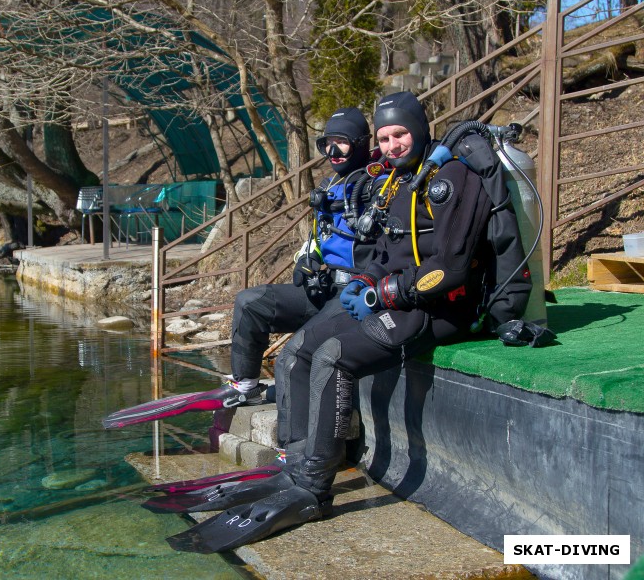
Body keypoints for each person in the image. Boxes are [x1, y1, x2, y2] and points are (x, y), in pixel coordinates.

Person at [166, 91, 498, 554]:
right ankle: (296, 463)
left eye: (400, 134)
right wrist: (361, 280)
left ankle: (314, 488)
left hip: (434, 307)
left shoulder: (453, 178)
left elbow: (454, 267)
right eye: (384, 137)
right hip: (389, 294)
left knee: (332, 358)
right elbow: (381, 251)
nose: (392, 144)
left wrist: (385, 292)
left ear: (421, 130)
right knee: (295, 352)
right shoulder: (398, 181)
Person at [103, 107, 386, 430]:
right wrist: (305, 260)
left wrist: (363, 280)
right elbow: (316, 235)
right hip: (322, 288)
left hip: (354, 296)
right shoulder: (330, 184)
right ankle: (245, 387)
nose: (332, 152)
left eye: (342, 143)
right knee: (251, 303)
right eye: (326, 144)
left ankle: (293, 446)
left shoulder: (378, 185)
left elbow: (389, 250)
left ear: (361, 142)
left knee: (293, 355)